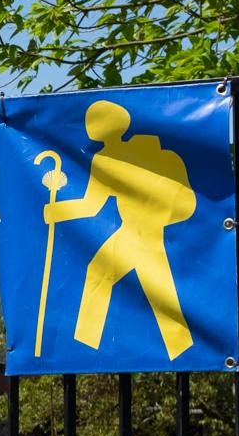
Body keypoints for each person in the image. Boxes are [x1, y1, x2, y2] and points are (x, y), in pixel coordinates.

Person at [40, 99, 196, 359]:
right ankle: (180, 348)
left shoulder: (107, 159)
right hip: (141, 230)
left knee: (152, 291)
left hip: (138, 233)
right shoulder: (143, 151)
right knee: (150, 289)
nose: (88, 126)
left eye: (93, 120)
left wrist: (53, 211)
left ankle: (84, 348)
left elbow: (91, 207)